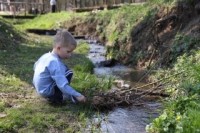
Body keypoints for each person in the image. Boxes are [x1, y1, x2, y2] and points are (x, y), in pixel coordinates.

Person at [33, 29, 86, 104]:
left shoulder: (45, 56)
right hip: (46, 92)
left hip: (39, 89)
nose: (70, 55)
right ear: (58, 48)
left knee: (62, 70)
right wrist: (77, 95)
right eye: (68, 51)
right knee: (68, 72)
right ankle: (57, 98)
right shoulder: (55, 62)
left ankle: (58, 93)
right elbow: (62, 84)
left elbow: (35, 67)